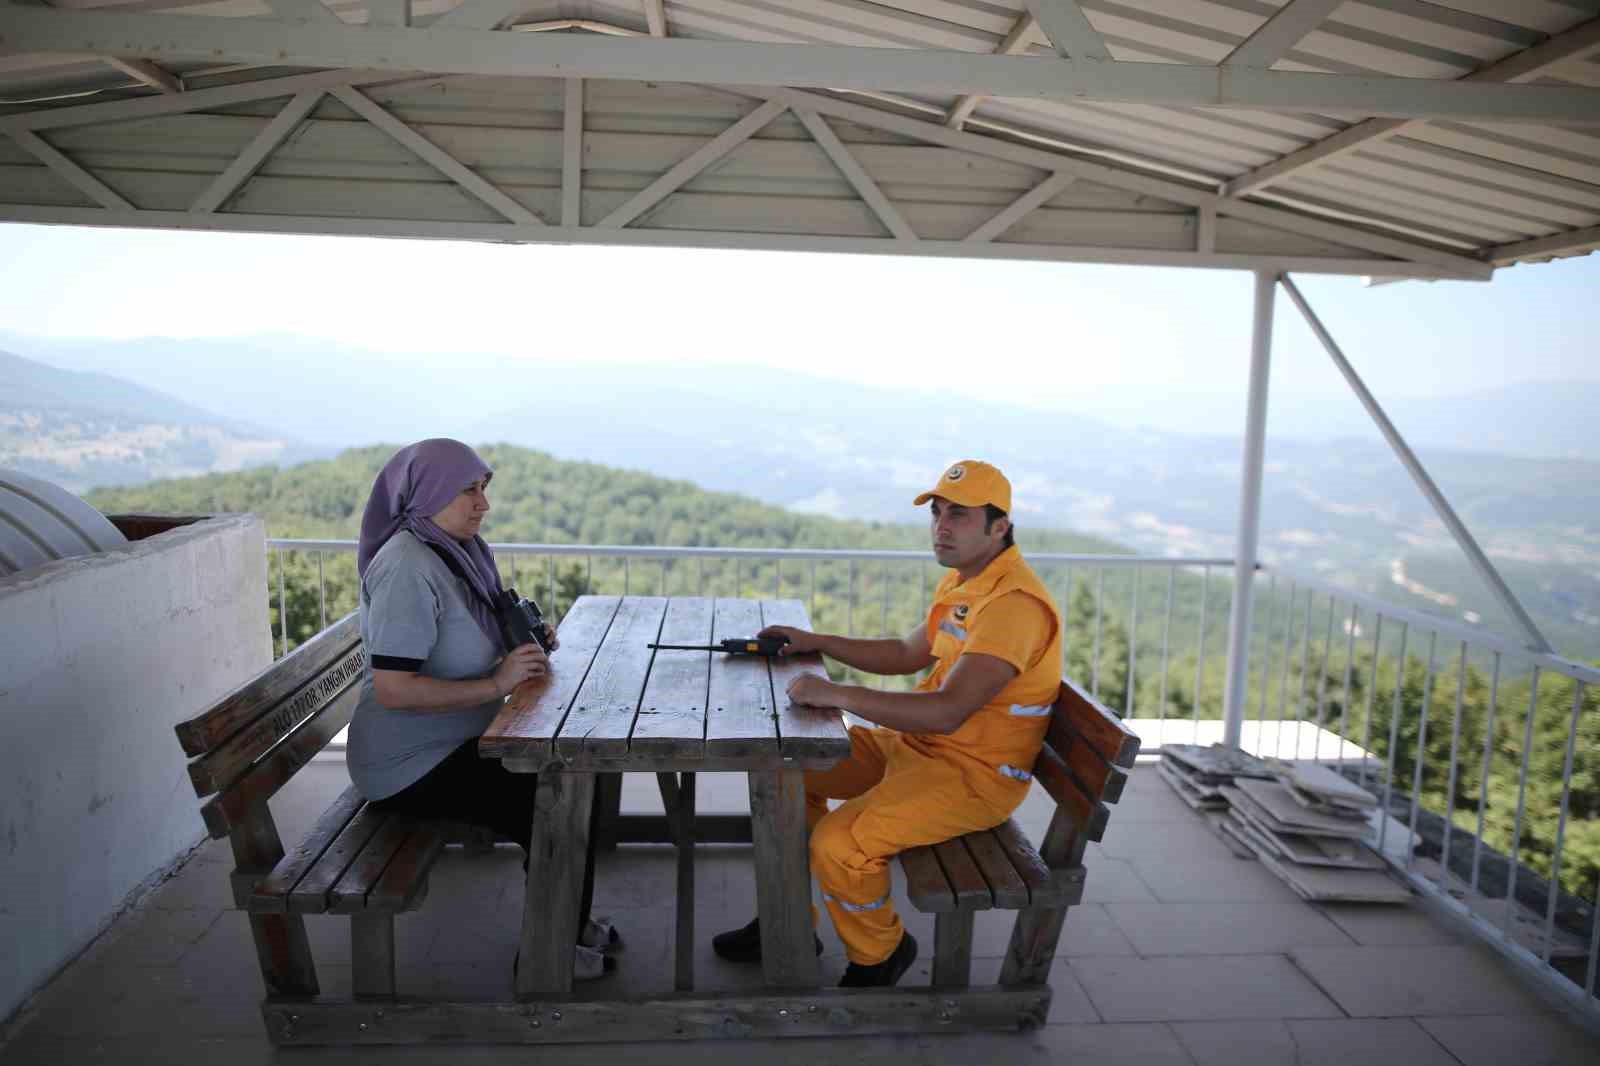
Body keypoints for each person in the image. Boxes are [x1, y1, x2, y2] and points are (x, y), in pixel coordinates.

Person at [712, 460, 1062, 987]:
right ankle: (787, 924)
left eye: (960, 516)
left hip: (974, 777)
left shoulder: (1013, 606)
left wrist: (835, 693)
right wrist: (819, 642)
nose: (942, 526)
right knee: (785, 773)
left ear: (999, 526)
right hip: (918, 749)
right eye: (938, 512)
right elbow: (905, 652)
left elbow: (947, 711)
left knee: (840, 844)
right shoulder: (967, 584)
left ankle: (882, 953)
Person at [348, 438, 617, 980]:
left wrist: (523, 641)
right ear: (425, 494)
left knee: (572, 785)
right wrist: (498, 679)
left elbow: (461, 639)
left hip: (462, 737)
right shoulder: (407, 565)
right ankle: (550, 953)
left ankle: (567, 922)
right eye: (468, 490)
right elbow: (394, 689)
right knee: (557, 801)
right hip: (409, 763)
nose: (483, 503)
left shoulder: (459, 553)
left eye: (483, 488)